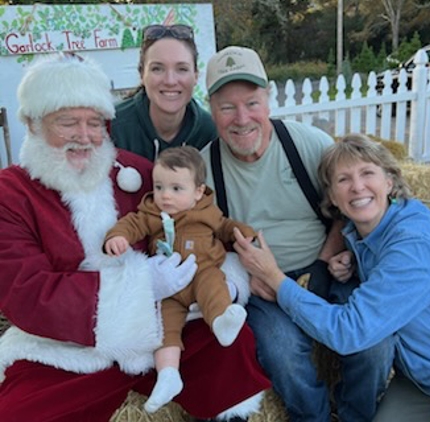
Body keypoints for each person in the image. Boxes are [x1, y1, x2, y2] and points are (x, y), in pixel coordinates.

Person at [0, 53, 271, 422]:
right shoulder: (12, 194)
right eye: (67, 122)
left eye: (95, 123)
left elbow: (200, 224)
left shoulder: (138, 172)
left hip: (163, 332)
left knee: (230, 348)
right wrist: (143, 287)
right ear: (32, 123)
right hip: (67, 346)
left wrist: (222, 279)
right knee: (20, 412)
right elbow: (26, 292)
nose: (84, 137)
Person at [201, 46, 391, 422]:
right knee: (282, 351)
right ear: (211, 109)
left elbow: (344, 211)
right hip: (262, 286)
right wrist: (241, 277)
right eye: (227, 107)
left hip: (328, 267)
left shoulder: (310, 145)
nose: (242, 119)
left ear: (268, 98)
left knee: (375, 345)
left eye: (252, 103)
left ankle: (355, 415)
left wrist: (326, 262)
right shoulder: (204, 169)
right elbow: (202, 241)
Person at [233, 133, 430, 422]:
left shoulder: (414, 242)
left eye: (367, 173)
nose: (357, 186)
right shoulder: (369, 235)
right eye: (343, 179)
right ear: (333, 197)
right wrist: (354, 261)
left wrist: (274, 277)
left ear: (390, 181)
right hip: (426, 381)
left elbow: (350, 333)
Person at [104, 145, 256, 413]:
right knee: (165, 328)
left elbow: (224, 227)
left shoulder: (207, 211)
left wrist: (242, 232)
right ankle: (168, 375)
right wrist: (118, 236)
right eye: (159, 186)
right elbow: (133, 223)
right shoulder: (153, 213)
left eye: (176, 189)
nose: (165, 196)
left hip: (202, 271)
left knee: (214, 288)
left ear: (198, 191)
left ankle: (222, 321)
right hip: (169, 286)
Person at [111, 24, 217, 161]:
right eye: (157, 69)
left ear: (196, 75)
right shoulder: (113, 129)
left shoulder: (209, 132)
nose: (170, 81)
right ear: (142, 74)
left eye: (182, 69)